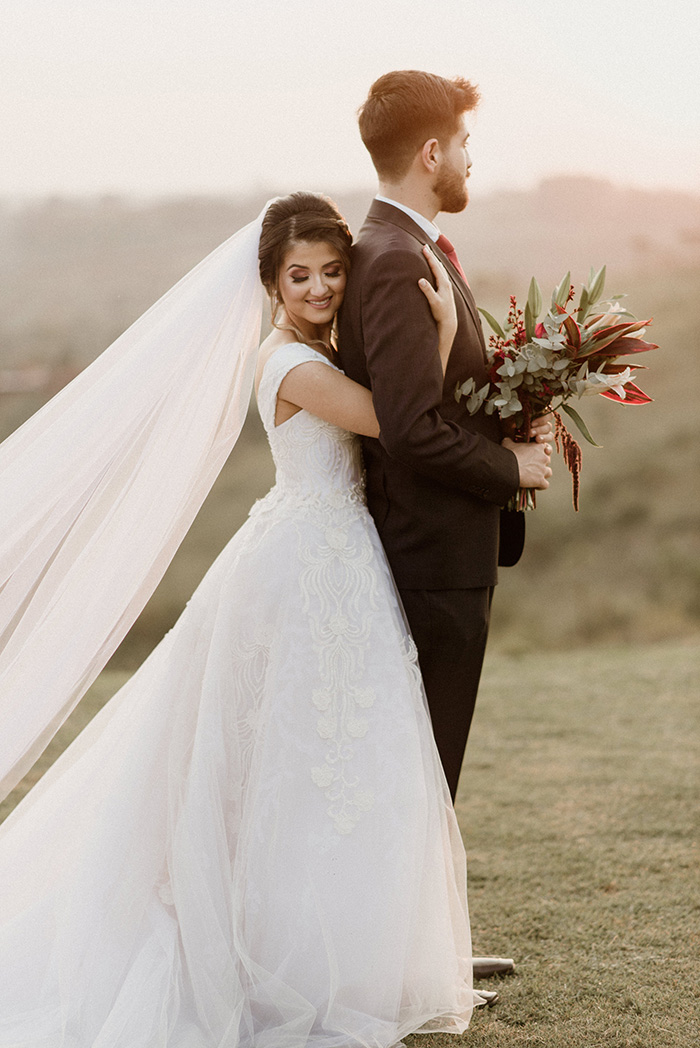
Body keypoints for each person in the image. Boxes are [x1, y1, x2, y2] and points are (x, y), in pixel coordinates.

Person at [0, 192, 492, 1047]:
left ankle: (338, 942)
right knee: (304, 760)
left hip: (335, 556)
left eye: (332, 272)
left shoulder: (316, 350)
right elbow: (393, 425)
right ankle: (286, 952)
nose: (319, 289)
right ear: (269, 283)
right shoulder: (287, 366)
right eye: (299, 275)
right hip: (306, 565)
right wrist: (442, 339)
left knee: (325, 761)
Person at [337, 71, 553, 804]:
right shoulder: (396, 258)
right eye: (464, 143)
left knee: (420, 776)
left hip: (437, 552)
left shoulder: (399, 244)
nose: (469, 159)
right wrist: (510, 466)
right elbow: (411, 429)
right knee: (422, 782)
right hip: (431, 558)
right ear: (432, 153)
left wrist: (519, 406)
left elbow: (432, 397)